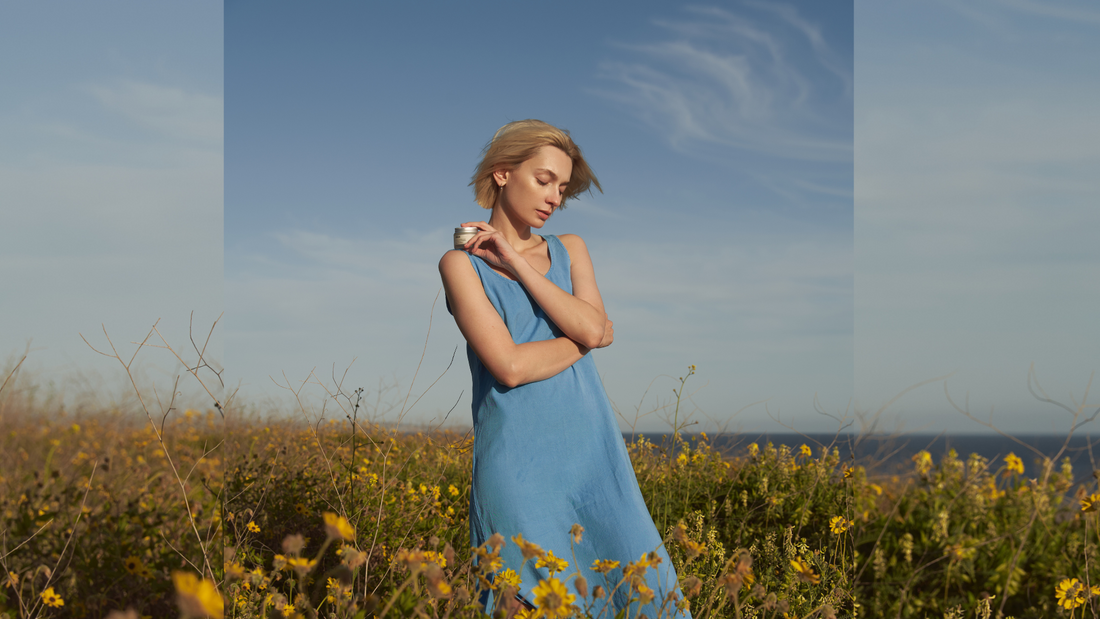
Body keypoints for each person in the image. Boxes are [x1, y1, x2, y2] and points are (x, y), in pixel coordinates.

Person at [439, 119, 688, 618]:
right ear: (504, 173)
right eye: (544, 179)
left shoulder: (570, 249)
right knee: (531, 603)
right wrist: (587, 337)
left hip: (595, 460)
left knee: (647, 595)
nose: (554, 197)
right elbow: (509, 366)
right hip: (518, 469)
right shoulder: (458, 265)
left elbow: (591, 328)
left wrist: (516, 261)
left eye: (563, 186)